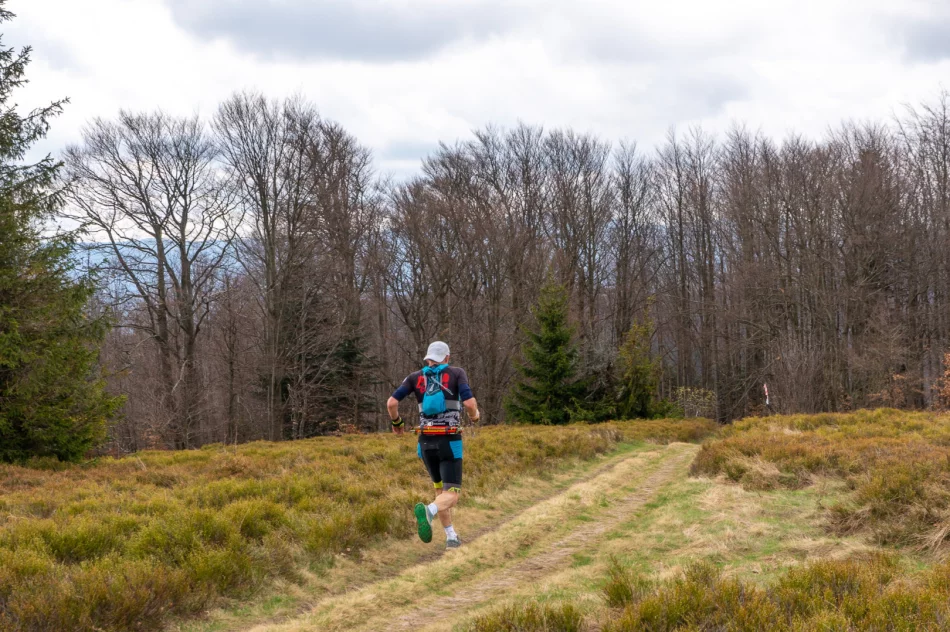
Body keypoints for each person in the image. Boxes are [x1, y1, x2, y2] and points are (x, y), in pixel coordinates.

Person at [387, 341, 479, 549]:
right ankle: (428, 511)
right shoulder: (456, 373)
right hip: (449, 440)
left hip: (425, 442)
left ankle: (451, 536)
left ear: (428, 358)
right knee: (452, 495)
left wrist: (397, 423)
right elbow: (469, 404)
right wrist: (475, 416)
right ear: (447, 358)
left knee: (440, 492)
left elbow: (391, 403)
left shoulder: (414, 377)